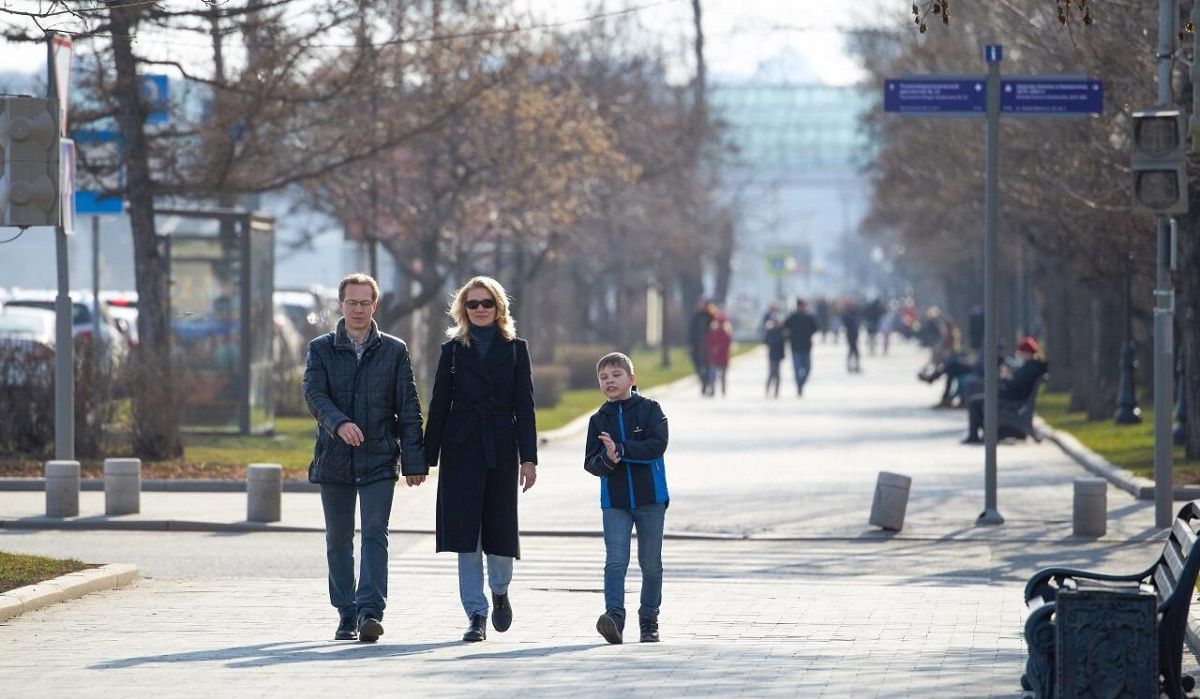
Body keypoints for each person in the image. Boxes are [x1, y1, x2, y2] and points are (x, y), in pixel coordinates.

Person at [303, 273, 427, 643]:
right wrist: (338, 424)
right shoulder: (321, 348)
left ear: (375, 306)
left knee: (375, 534)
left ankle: (371, 611)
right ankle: (347, 612)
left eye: (364, 303)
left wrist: (415, 460)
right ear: (340, 305)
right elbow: (314, 394)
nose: (358, 309)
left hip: (378, 457)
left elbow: (408, 406)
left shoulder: (394, 349)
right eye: (351, 302)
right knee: (338, 538)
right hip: (334, 459)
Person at [424, 276, 538, 643]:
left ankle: (500, 589)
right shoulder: (453, 351)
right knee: (465, 534)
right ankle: (475, 613)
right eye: (472, 304)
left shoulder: (517, 349)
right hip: (461, 448)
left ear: (499, 307)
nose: (479, 310)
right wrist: (424, 458)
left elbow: (526, 407)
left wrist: (529, 459)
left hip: (501, 447)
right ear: (463, 309)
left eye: (486, 303)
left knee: (500, 529)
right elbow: (439, 405)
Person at [584, 352, 669, 645]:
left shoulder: (650, 410)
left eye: (616, 375)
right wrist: (606, 460)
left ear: (631, 379)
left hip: (651, 499)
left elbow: (656, 446)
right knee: (615, 561)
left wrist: (619, 450)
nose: (610, 381)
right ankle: (614, 618)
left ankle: (649, 619)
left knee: (651, 563)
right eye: (604, 377)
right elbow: (591, 463)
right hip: (615, 502)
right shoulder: (598, 420)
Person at [962, 336, 1049, 444]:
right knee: (978, 400)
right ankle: (987, 433)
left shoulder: (1031, 367)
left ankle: (974, 435)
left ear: (1027, 352)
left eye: (1021, 352)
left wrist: (1004, 379)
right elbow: (1018, 382)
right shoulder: (1032, 366)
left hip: (1013, 400)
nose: (1019, 355)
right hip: (1013, 396)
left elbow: (1017, 384)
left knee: (975, 402)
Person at [783, 298, 818, 396]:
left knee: (807, 368)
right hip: (795, 347)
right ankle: (799, 386)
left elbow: (815, 328)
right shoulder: (792, 317)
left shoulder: (809, 317)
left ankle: (801, 383)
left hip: (806, 347)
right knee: (797, 368)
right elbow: (785, 328)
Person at [687, 298, 715, 394]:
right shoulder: (695, 316)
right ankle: (703, 382)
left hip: (708, 347)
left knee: (708, 367)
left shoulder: (711, 317)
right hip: (697, 346)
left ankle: (707, 383)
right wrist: (690, 344)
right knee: (697, 366)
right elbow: (691, 331)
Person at [704, 314, 733, 397]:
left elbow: (727, 345)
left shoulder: (726, 334)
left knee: (722, 376)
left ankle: (723, 390)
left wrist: (719, 349)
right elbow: (708, 343)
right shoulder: (713, 333)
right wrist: (712, 350)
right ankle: (712, 390)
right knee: (712, 375)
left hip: (723, 357)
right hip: (714, 358)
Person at [764, 318, 786, 398]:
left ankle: (776, 390)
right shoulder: (771, 332)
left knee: (777, 374)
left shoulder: (781, 332)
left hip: (778, 355)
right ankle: (768, 388)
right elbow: (766, 341)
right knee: (772, 373)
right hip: (772, 355)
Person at [841, 299, 862, 374]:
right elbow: (847, 322)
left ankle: (854, 366)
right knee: (853, 349)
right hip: (850, 333)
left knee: (853, 350)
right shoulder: (846, 313)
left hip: (854, 332)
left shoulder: (853, 312)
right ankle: (852, 366)